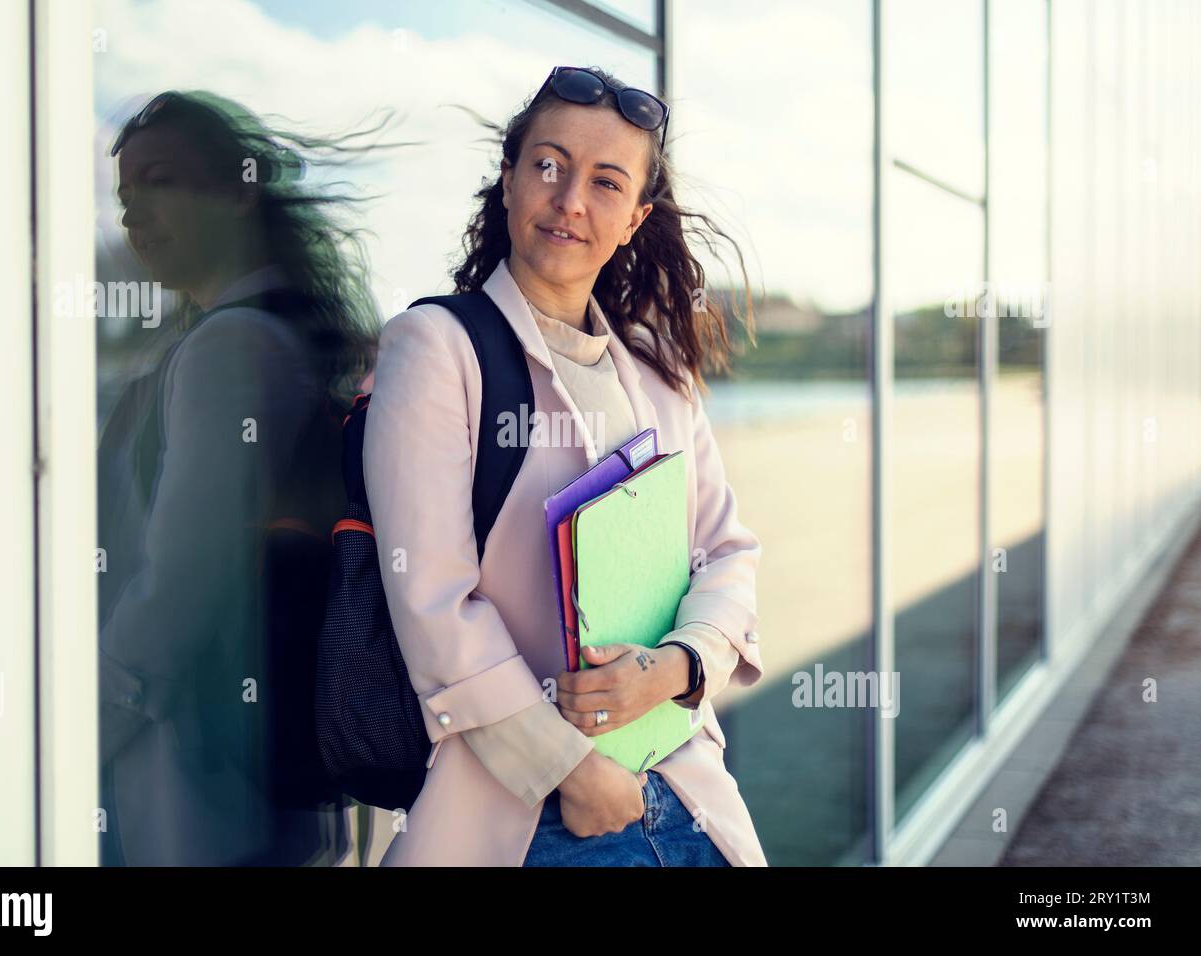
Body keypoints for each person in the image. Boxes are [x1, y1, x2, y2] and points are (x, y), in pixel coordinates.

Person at [363, 65, 767, 866]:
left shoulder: (658, 371)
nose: (571, 198)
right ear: (509, 179)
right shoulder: (436, 347)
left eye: (606, 182)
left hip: (686, 787)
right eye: (548, 165)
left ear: (634, 219)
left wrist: (675, 666)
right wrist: (572, 771)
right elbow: (434, 599)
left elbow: (727, 552)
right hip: (531, 815)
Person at [97, 90, 380, 865]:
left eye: (159, 182)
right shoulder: (265, 332)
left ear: (234, 190)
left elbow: (184, 577)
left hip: (198, 779)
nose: (131, 216)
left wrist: (86, 710)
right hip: (238, 778)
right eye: (124, 196)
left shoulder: (233, 347)